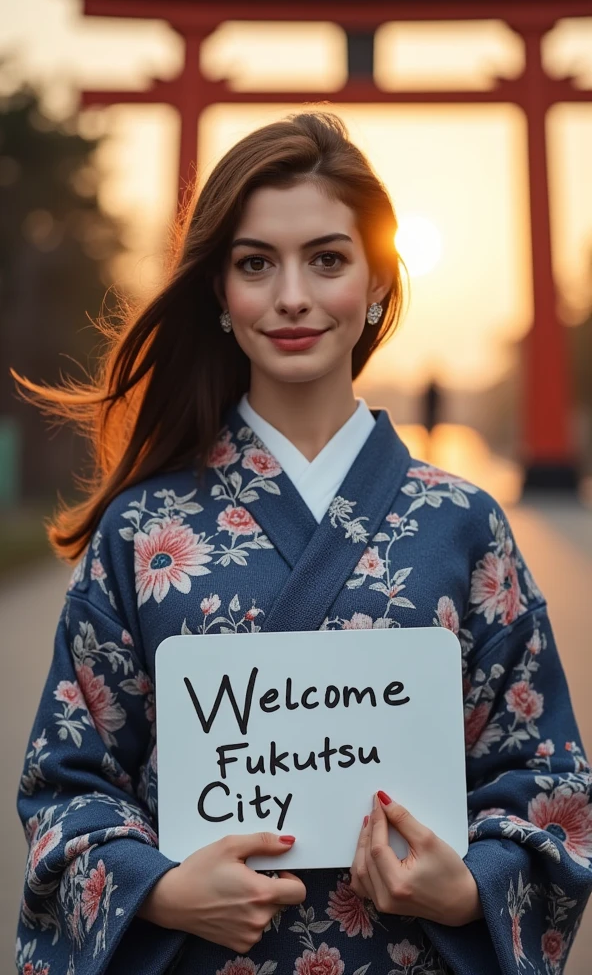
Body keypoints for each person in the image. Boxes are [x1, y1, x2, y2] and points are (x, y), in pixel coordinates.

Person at [14, 111, 592, 975]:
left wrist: (469, 886)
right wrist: (163, 891)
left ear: (376, 285)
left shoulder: (465, 524)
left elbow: (547, 779)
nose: (292, 295)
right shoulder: (141, 532)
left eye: (327, 259)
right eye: (256, 264)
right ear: (220, 294)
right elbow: (67, 780)